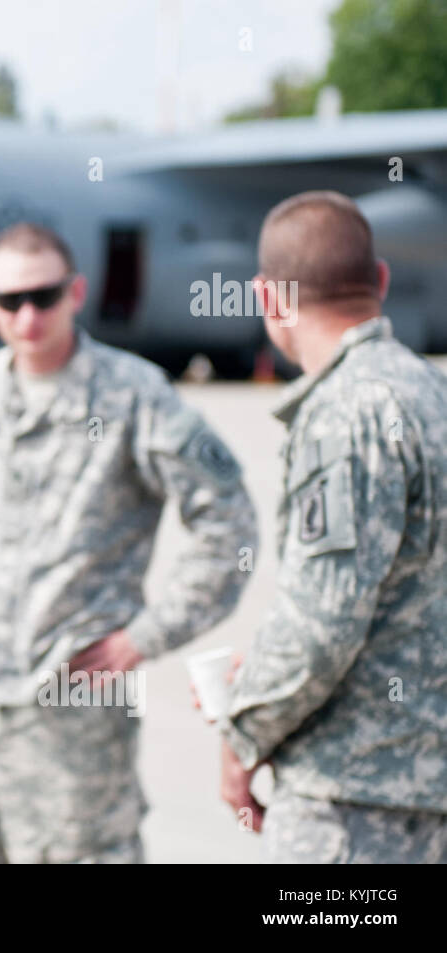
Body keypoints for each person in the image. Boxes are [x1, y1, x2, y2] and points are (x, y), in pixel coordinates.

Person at [0, 222, 257, 863]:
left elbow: (228, 524)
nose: (29, 314)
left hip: (75, 703)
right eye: (11, 301)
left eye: (45, 295)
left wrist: (146, 637)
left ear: (76, 292)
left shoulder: (136, 397)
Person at [218, 190, 447, 863]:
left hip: (355, 801)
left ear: (269, 298)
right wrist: (262, 663)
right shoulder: (431, 394)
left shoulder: (343, 413)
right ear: (378, 280)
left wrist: (243, 732)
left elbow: (323, 623)